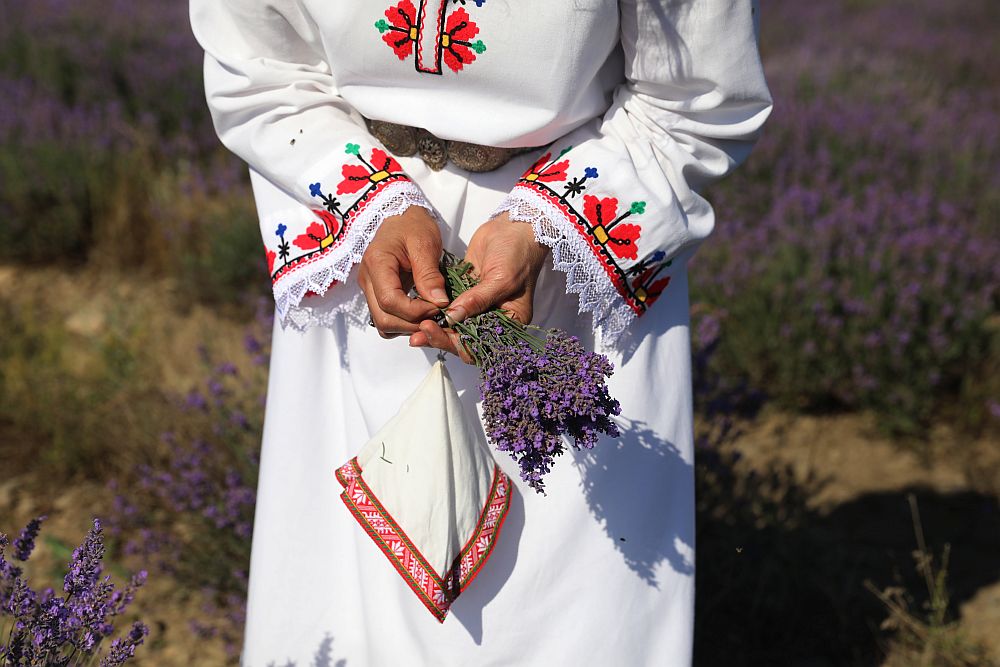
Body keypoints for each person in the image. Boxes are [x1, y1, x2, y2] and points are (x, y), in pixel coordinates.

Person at [190, 1, 772, 664]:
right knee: (351, 606)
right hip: (361, 256)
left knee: (561, 613)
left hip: (569, 272)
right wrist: (369, 201)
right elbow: (259, 68)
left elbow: (699, 98)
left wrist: (548, 226)